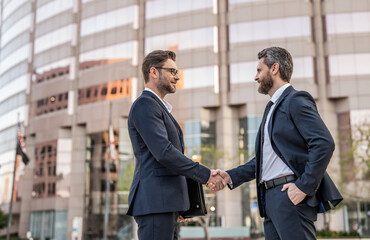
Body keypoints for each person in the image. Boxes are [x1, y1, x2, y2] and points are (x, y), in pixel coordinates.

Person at [211, 47, 343, 240]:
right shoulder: (271, 108)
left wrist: (304, 186)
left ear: (274, 68)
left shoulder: (296, 100)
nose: (255, 77)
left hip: (290, 195)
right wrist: (230, 176)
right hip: (270, 200)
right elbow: (264, 160)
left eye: (259, 70)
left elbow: (323, 143)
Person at [126, 50, 226, 240]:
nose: (177, 76)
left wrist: (179, 202)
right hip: (156, 202)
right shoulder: (145, 105)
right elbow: (164, 153)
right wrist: (205, 175)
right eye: (172, 71)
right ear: (153, 72)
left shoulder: (159, 108)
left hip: (166, 203)